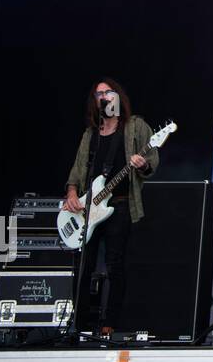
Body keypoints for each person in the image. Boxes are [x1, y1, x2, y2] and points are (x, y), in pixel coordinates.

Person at [64, 79, 159, 334]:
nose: (104, 96)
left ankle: (110, 324)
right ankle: (79, 325)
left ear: (118, 97)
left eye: (108, 92)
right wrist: (72, 193)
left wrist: (142, 165)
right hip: (88, 210)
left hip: (120, 205)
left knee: (115, 264)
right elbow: (77, 170)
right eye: (99, 93)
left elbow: (151, 160)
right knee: (83, 266)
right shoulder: (91, 135)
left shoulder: (135, 126)